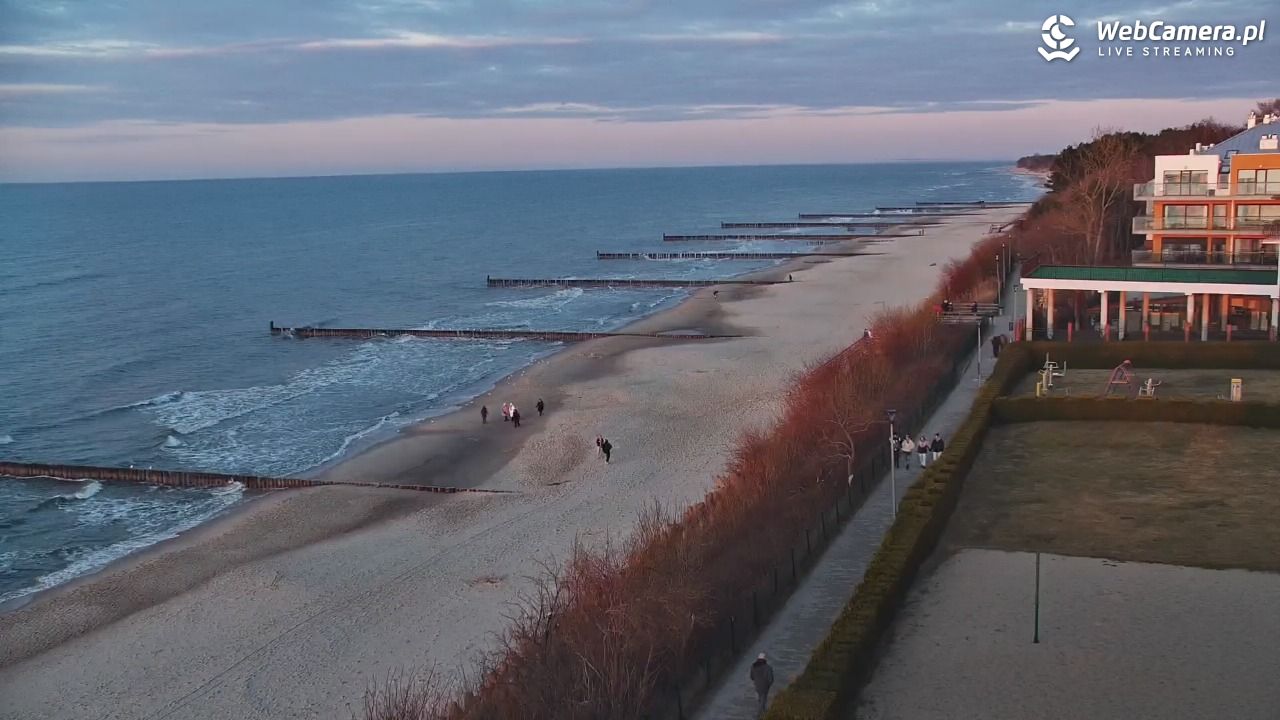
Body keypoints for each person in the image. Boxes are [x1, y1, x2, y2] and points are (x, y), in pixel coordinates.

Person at [750, 652, 774, 717]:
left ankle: (764, 711)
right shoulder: (768, 668)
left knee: (760, 699)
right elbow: (771, 679)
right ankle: (758, 714)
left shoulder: (753, 666)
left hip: (757, 685)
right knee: (763, 700)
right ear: (765, 659)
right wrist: (768, 685)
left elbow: (752, 677)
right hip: (765, 686)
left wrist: (756, 681)